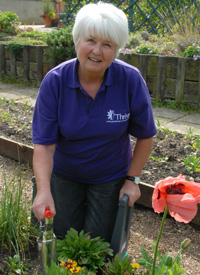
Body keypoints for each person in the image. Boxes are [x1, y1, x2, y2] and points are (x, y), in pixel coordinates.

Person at [32, 1, 157, 243]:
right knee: (63, 238)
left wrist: (132, 181)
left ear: (117, 49)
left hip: (110, 176)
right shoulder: (55, 82)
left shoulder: (130, 80)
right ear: (77, 41)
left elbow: (145, 135)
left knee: (99, 244)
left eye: (107, 44)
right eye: (90, 40)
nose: (97, 51)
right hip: (65, 173)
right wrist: (44, 191)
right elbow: (44, 145)